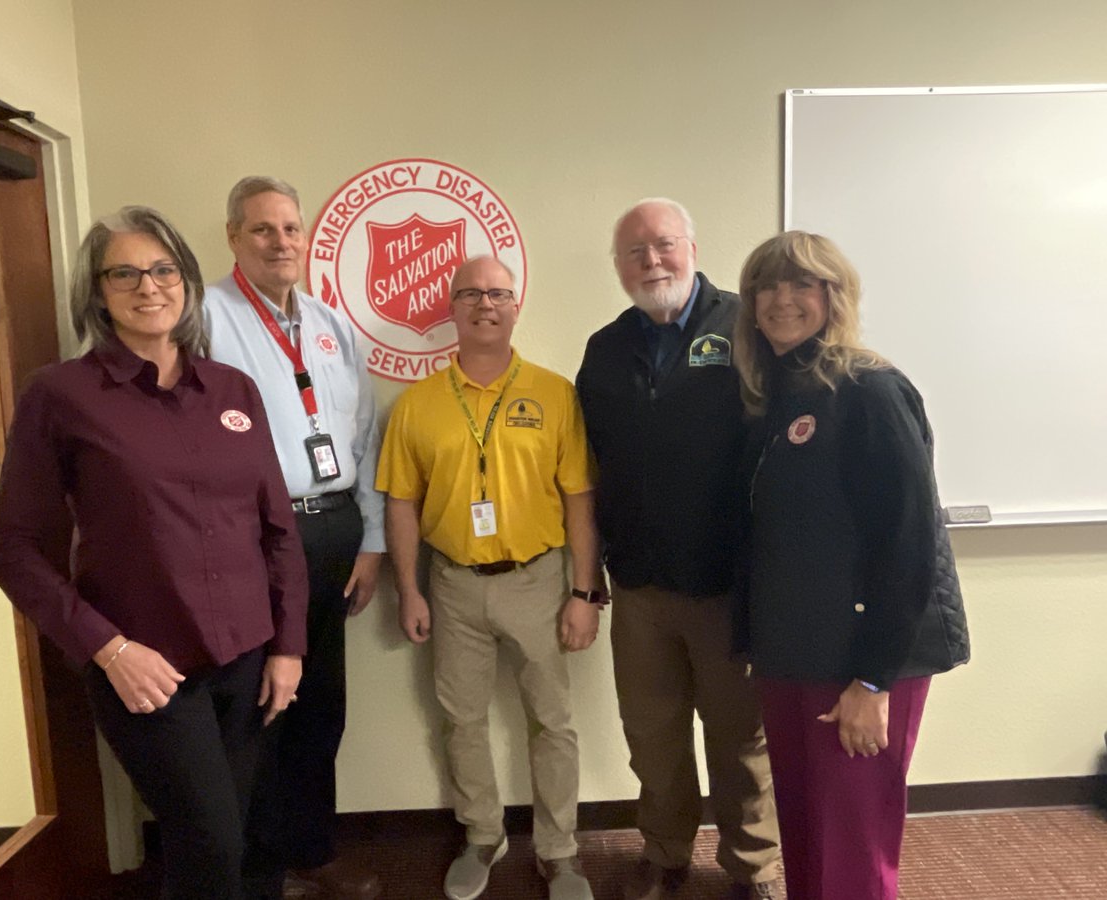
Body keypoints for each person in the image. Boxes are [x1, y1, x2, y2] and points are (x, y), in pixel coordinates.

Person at [0, 206, 307, 900]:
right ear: (97, 292)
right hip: (148, 672)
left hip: (248, 662)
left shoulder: (232, 390)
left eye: (163, 270)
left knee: (231, 840)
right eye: (123, 272)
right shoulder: (61, 396)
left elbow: (277, 528)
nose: (148, 286)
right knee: (209, 843)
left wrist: (289, 647)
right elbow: (9, 548)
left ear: (186, 281)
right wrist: (108, 649)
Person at [732, 231, 971, 900]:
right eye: (767, 287)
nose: (782, 300)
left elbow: (910, 542)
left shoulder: (869, 391)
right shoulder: (774, 395)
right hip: (794, 652)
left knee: (852, 847)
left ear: (833, 297)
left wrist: (873, 682)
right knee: (806, 830)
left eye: (800, 284)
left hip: (861, 660)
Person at [576, 198, 781, 900]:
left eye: (663, 245)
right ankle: (665, 854)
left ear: (692, 247)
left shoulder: (748, 327)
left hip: (727, 585)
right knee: (653, 739)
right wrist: (593, 569)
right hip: (639, 587)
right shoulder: (605, 349)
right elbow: (592, 464)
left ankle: (753, 868)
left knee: (739, 742)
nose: (651, 261)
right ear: (618, 266)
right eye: (634, 251)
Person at [377, 256, 599, 900]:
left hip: (537, 579)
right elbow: (399, 503)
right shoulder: (417, 405)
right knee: (461, 718)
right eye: (470, 294)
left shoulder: (555, 393)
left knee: (552, 722)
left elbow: (581, 498)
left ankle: (560, 853)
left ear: (515, 304)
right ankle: (483, 834)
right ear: (451, 307)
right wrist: (410, 588)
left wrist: (584, 593)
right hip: (451, 584)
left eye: (497, 293)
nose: (484, 304)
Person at [203, 176, 385, 900]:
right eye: (262, 230)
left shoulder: (331, 325)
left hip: (334, 530)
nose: (281, 242)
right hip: (250, 537)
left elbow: (365, 437)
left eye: (290, 229)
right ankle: (255, 870)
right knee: (256, 705)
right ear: (233, 238)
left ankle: (311, 848)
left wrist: (370, 540)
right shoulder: (206, 319)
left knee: (319, 702)